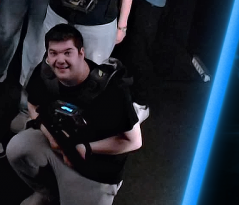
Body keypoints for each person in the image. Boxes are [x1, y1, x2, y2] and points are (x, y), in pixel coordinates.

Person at [8, 24, 141, 205]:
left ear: (81, 53)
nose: (60, 60)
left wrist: (85, 148)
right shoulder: (46, 73)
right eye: (53, 53)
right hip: (61, 146)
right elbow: (33, 104)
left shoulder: (112, 90)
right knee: (17, 148)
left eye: (67, 52)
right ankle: (48, 192)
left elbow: (134, 141)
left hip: (95, 167)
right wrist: (51, 138)